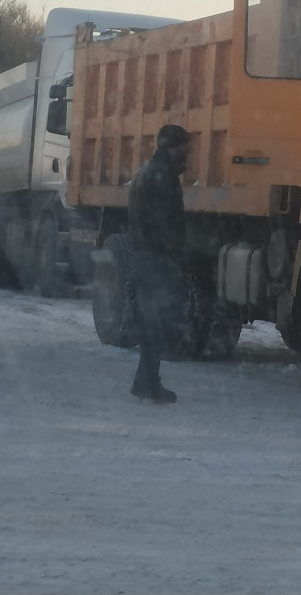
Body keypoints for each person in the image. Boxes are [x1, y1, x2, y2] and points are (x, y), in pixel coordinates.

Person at [128, 124, 190, 403]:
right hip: (157, 261)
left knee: (150, 325)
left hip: (144, 258)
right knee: (157, 325)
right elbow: (166, 225)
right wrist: (175, 260)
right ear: (174, 146)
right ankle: (149, 384)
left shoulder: (146, 172)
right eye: (186, 146)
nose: (188, 153)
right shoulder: (163, 177)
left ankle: (145, 382)